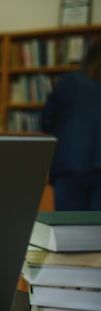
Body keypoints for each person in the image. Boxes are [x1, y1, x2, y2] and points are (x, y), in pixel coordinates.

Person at [41, 39, 101, 211]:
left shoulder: (69, 81)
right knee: (98, 233)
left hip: (69, 166)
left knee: (69, 228)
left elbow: (47, 121)